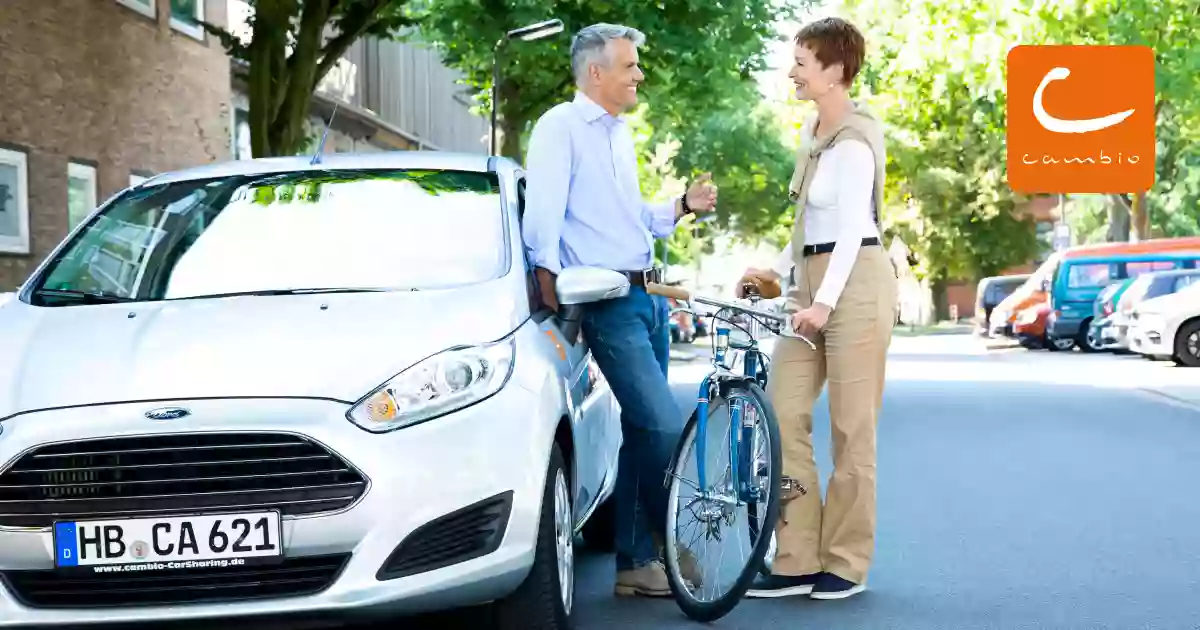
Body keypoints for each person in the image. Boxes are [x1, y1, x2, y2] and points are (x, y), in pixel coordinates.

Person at [521, 23, 718, 597]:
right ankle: (665, 540)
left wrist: (679, 206)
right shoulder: (560, 127)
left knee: (640, 426)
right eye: (629, 66)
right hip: (605, 301)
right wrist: (549, 288)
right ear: (596, 72)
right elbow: (544, 220)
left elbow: (628, 219)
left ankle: (634, 563)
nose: (638, 75)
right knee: (660, 422)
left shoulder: (618, 134)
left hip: (645, 295)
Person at [740, 17, 898, 601]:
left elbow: (854, 227)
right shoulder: (814, 135)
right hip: (813, 280)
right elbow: (812, 226)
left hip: (855, 283)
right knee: (783, 414)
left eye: (803, 63)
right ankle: (796, 556)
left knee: (853, 427)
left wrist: (824, 302)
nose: (793, 73)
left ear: (835, 71)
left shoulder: (855, 139)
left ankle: (846, 562)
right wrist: (772, 272)